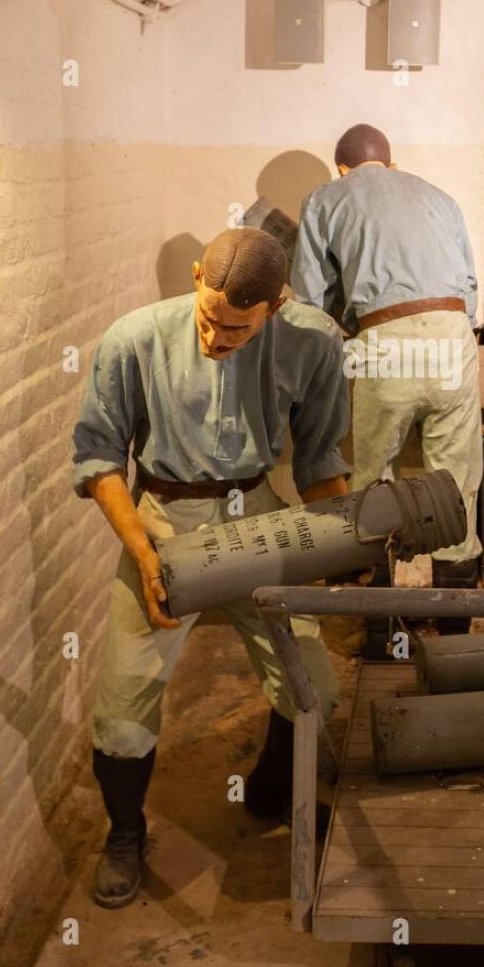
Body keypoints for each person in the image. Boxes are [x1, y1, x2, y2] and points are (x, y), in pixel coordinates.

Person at [71, 227, 349, 908]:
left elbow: (319, 462)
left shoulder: (314, 343)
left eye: (237, 332)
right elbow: (100, 459)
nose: (216, 342)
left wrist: (346, 544)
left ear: (274, 309)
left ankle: (274, 788)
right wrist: (143, 553)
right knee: (123, 698)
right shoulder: (133, 339)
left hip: (258, 516)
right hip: (163, 519)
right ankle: (126, 833)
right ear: (197, 276)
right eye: (209, 319)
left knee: (311, 683)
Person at [290, 124, 482, 625]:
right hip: (453, 332)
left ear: (343, 169)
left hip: (384, 339)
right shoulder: (440, 197)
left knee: (373, 481)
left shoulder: (324, 199)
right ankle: (456, 630)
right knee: (456, 483)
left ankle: (381, 629)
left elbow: (310, 302)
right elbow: (470, 289)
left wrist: (344, 342)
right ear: (392, 164)